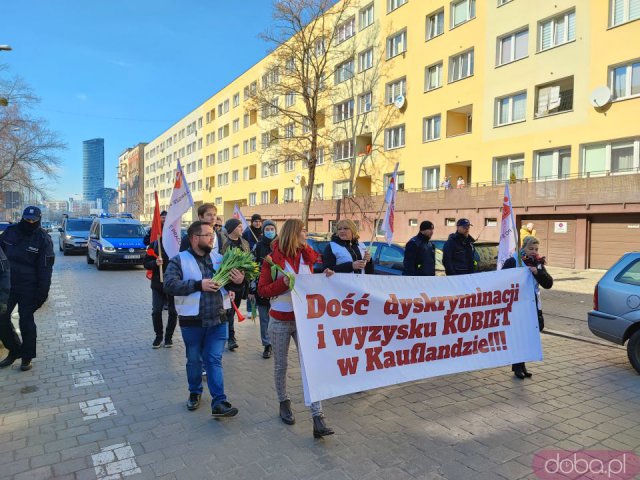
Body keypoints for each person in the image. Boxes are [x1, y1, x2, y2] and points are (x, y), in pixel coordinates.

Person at [258, 219, 336, 438]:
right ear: (293, 233)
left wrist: (327, 276)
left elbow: (312, 281)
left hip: (306, 320)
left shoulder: (307, 255)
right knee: (281, 365)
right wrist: (284, 284)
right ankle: (283, 402)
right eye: (303, 230)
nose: (306, 233)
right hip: (280, 319)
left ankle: (318, 417)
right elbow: (262, 290)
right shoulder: (272, 259)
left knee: (310, 366)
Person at [164, 221, 244, 417]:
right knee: (194, 360)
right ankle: (195, 392)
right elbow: (170, 285)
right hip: (192, 322)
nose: (212, 238)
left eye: (212, 234)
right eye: (207, 234)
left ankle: (219, 402)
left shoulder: (220, 259)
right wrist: (199, 285)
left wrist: (240, 282)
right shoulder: (179, 260)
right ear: (194, 238)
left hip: (219, 319)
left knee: (214, 359)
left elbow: (234, 288)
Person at [0, 207, 54, 371]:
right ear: (22, 217)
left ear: (38, 219)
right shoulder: (10, 232)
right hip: (8, 285)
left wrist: (42, 294)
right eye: (27, 219)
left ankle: (27, 357)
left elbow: (45, 269)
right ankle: (14, 349)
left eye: (33, 220)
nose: (30, 222)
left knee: (26, 321)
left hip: (29, 287)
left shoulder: (43, 239)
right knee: (1, 318)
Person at [502, 236, 553, 379]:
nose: (534, 252)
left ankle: (521, 365)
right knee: (519, 335)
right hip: (517, 305)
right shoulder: (514, 261)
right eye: (530, 249)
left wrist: (538, 272)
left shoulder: (537, 263)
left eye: (536, 249)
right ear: (523, 248)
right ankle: (518, 366)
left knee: (528, 335)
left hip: (532, 305)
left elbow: (548, 283)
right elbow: (501, 280)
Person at [143, 231, 177, 349]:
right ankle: (158, 336)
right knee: (156, 311)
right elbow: (146, 263)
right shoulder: (155, 244)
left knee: (173, 312)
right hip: (158, 284)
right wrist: (155, 263)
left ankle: (168, 337)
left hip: (172, 284)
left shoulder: (176, 245)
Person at [221, 218, 250, 351]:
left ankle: (228, 334)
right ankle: (231, 338)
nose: (241, 229)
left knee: (234, 309)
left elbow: (248, 259)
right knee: (230, 310)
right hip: (227, 282)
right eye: (239, 226)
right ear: (232, 228)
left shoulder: (244, 243)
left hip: (240, 282)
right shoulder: (224, 244)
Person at [250, 219, 277, 359]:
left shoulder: (280, 245)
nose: (270, 231)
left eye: (272, 229)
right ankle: (267, 344)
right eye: (267, 229)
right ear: (263, 231)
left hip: (278, 288)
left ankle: (277, 343)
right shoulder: (258, 246)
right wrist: (251, 290)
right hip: (261, 287)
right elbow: (251, 268)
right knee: (264, 318)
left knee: (276, 318)